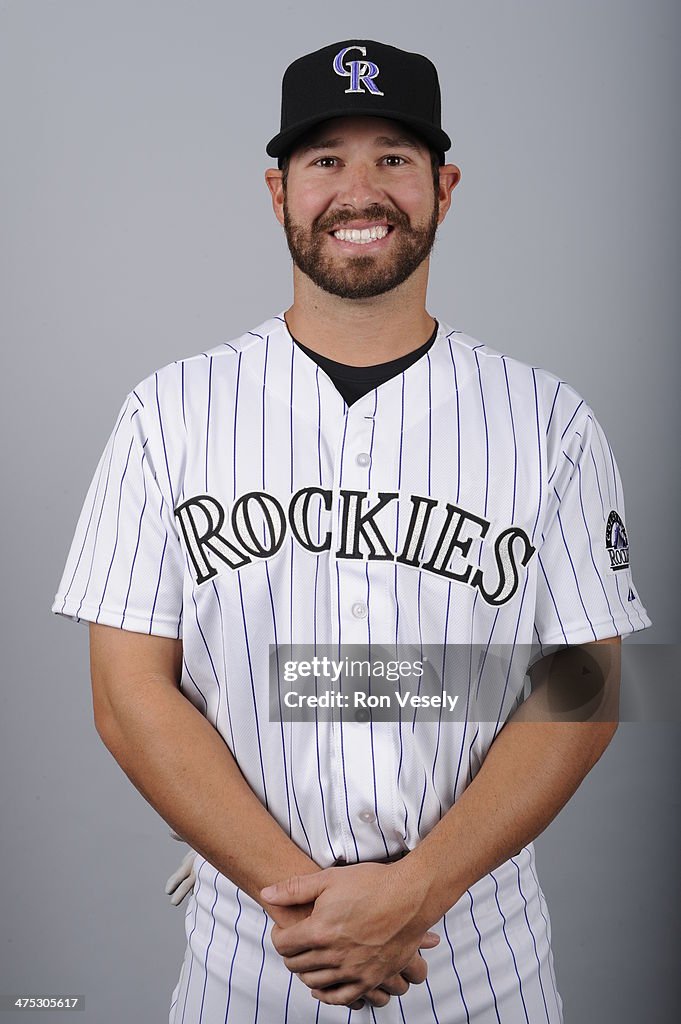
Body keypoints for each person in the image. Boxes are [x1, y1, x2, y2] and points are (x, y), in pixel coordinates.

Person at [52, 38, 652, 1023]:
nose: (359, 188)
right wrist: (313, 905)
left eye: (393, 158)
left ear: (444, 187)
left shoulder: (549, 421)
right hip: (252, 956)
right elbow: (124, 697)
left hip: (477, 961)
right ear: (277, 190)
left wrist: (416, 889)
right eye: (325, 158)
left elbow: (595, 678)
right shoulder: (168, 412)